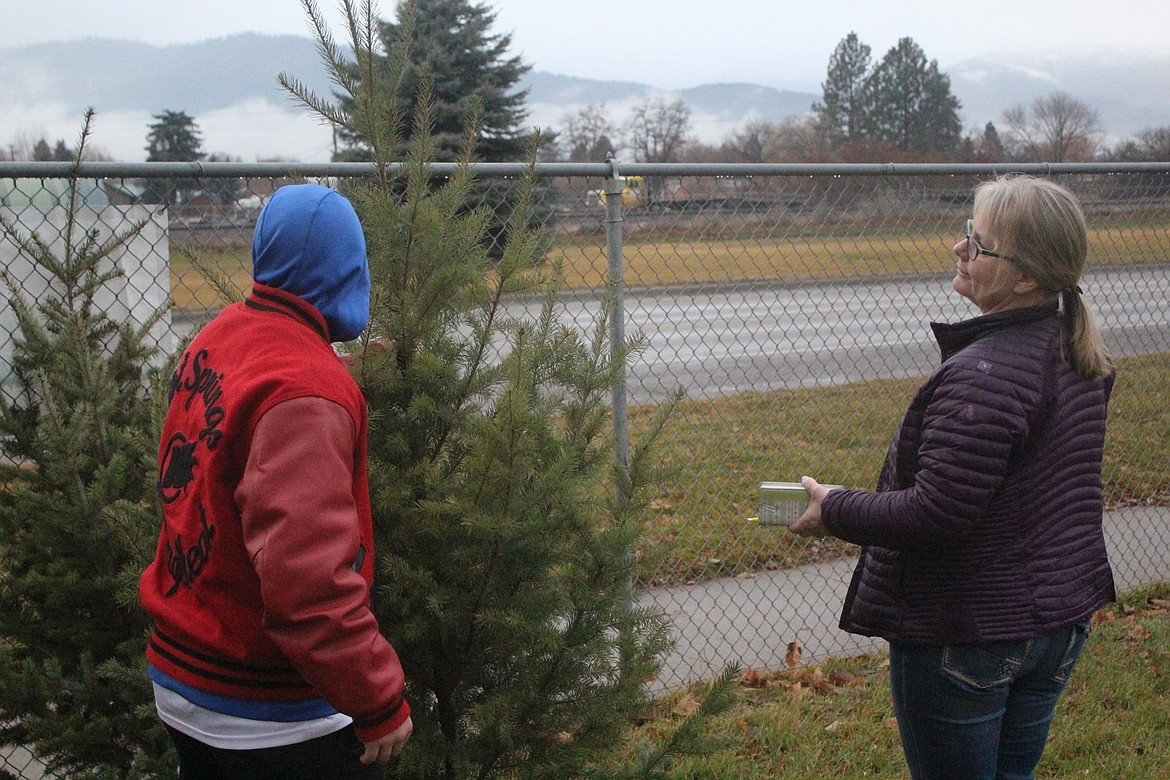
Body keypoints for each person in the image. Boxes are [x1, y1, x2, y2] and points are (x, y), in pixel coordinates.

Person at [789, 175, 1115, 780]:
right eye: (969, 234)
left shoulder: (985, 375)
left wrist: (832, 507)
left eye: (979, 244)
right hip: (1055, 625)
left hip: (969, 634)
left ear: (1027, 278)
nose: (959, 249)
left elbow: (934, 515)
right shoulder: (1074, 353)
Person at [140, 183, 412, 779]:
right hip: (263, 708)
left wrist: (328, 375)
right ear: (345, 270)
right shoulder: (306, 393)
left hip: (184, 666)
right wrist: (378, 698)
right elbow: (305, 581)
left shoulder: (221, 335)